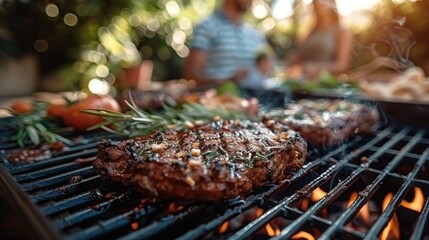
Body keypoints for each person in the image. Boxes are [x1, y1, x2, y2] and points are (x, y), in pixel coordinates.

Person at [182, 0, 267, 88]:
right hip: (216, 98)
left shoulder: (255, 34)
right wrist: (228, 80)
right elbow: (190, 76)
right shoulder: (207, 27)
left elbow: (265, 72)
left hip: (253, 99)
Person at [286, 0, 353, 81]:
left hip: (325, 85)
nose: (320, 3)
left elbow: (342, 65)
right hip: (303, 82)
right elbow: (304, 59)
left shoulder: (341, 31)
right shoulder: (310, 32)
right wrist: (296, 58)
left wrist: (316, 67)